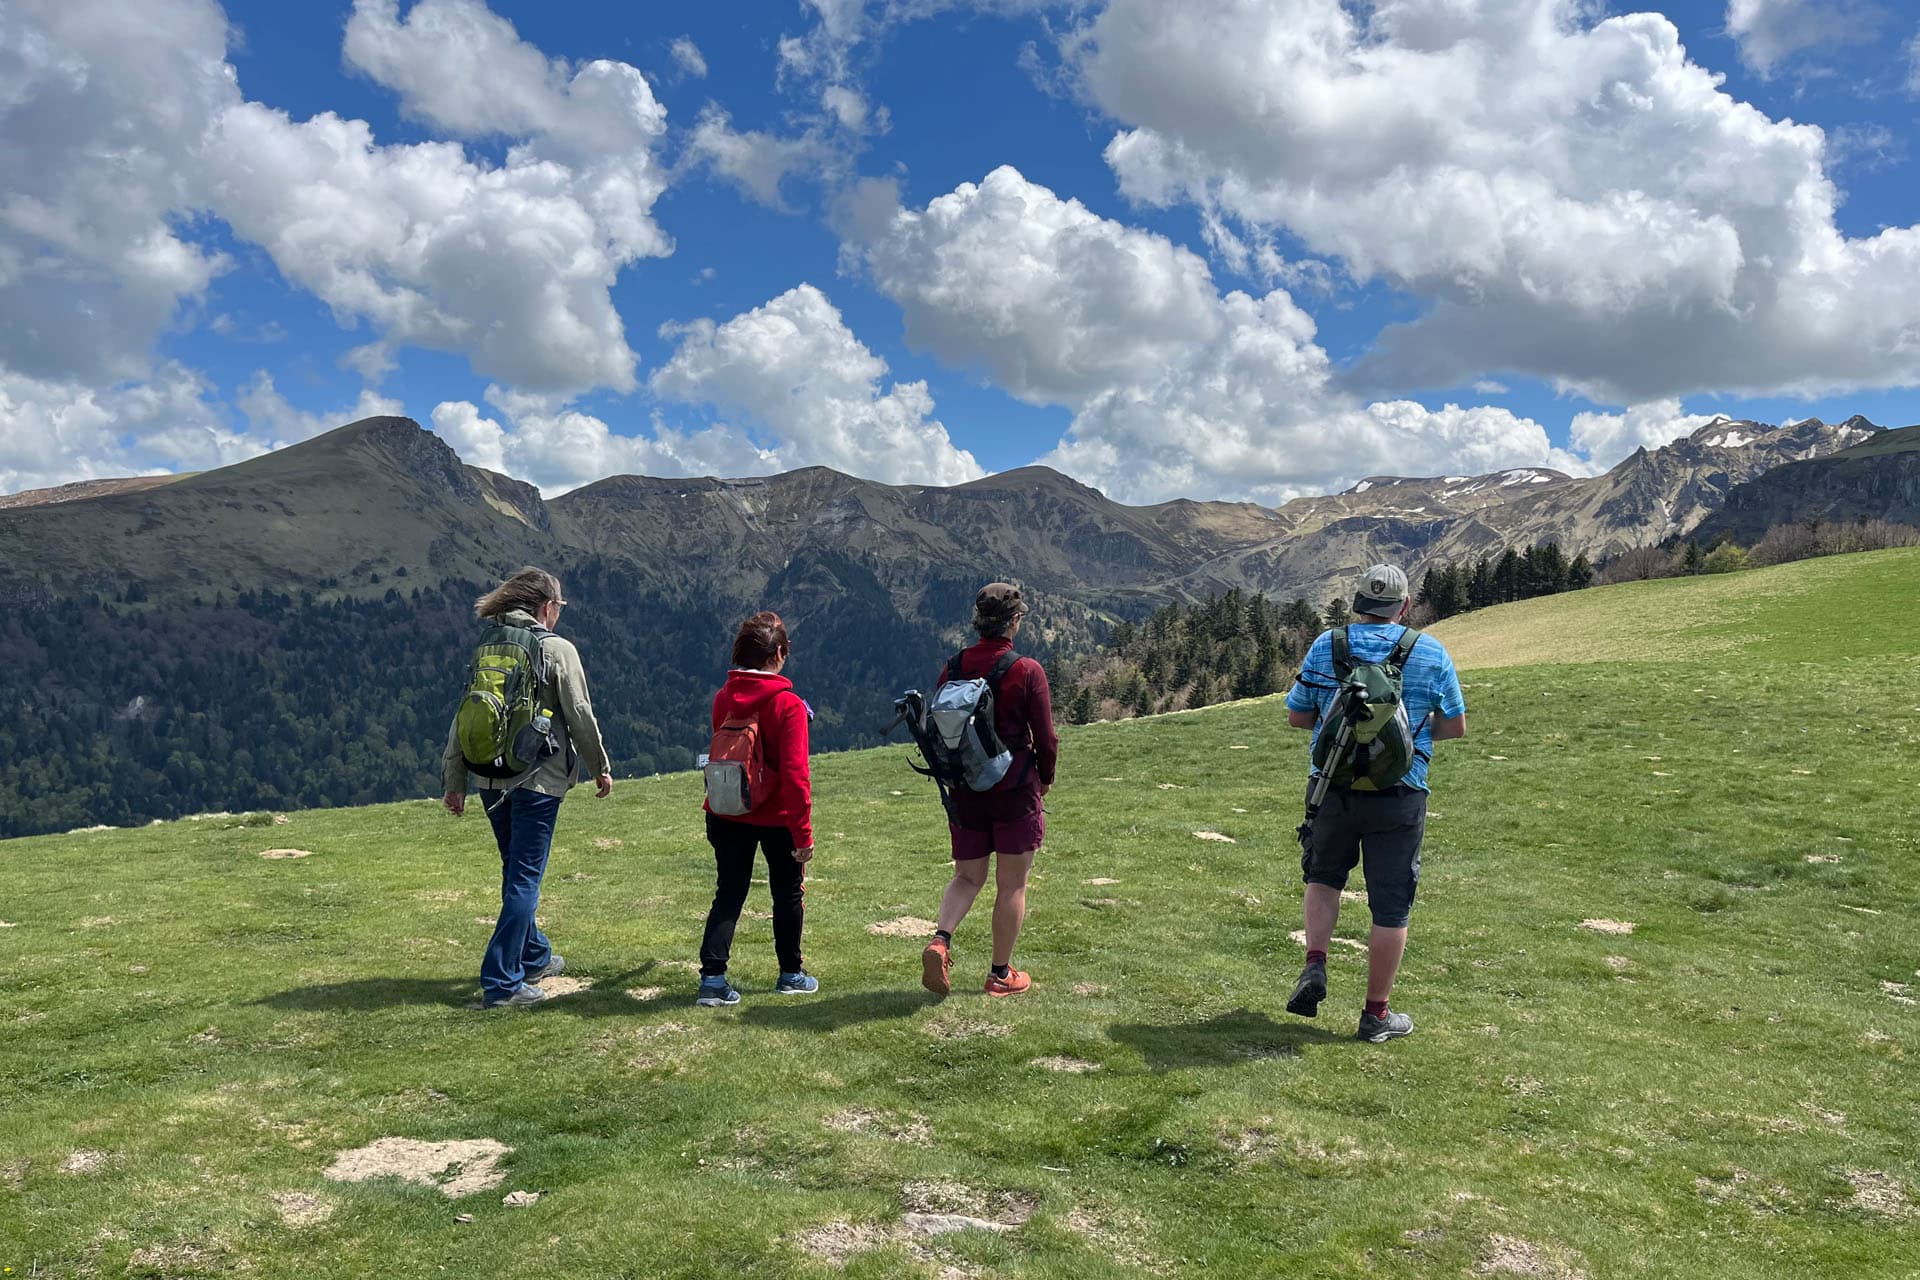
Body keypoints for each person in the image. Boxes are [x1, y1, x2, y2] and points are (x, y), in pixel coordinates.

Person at [1283, 564, 1466, 1042]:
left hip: (1331, 788)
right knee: (1391, 906)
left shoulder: (1328, 646)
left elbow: (1299, 717)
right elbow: (1456, 726)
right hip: (1401, 792)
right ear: (1403, 606)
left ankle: (1316, 964)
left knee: (1323, 879)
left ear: (1358, 602)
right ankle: (1376, 1015)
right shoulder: (1429, 651)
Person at [442, 567, 613, 1009]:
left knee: (514, 871)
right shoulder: (556, 649)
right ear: (546, 607)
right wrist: (600, 767)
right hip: (538, 779)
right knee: (524, 878)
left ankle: (533, 955)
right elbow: (579, 713)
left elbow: (465, 715)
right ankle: (501, 982)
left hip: (487, 776)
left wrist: (454, 778)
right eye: (558, 607)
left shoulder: (488, 646)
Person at [921, 583, 1059, 998]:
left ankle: (941, 939)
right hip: (1014, 789)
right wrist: (1046, 778)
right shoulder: (1027, 670)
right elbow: (1046, 737)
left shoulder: (954, 666)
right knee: (1012, 884)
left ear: (977, 621)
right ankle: (1000, 974)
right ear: (1014, 622)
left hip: (965, 789)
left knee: (966, 876)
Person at [696, 611, 816, 1006]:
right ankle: (790, 974)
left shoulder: (723, 697)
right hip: (778, 817)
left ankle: (713, 980)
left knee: (729, 893)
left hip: (727, 809)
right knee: (788, 895)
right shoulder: (788, 705)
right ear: (779, 653)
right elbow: (797, 776)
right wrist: (804, 837)